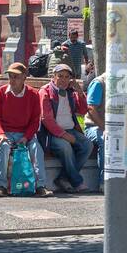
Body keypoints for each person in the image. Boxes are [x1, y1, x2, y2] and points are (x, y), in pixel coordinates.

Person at [0, 62, 51, 197]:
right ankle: (1, 185)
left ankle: (41, 185)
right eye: (10, 76)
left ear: (24, 77)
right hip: (5, 132)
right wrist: (0, 134)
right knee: (3, 147)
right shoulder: (0, 93)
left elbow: (35, 120)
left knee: (36, 148)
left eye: (16, 77)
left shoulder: (33, 94)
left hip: (25, 133)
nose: (12, 80)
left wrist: (26, 137)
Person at [40, 63, 92, 193]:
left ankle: (63, 178)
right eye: (60, 76)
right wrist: (64, 135)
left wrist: (80, 92)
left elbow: (83, 110)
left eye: (66, 77)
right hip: (51, 133)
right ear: (53, 77)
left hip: (71, 130)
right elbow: (46, 119)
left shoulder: (70, 92)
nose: (63, 79)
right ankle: (76, 181)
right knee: (65, 147)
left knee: (88, 145)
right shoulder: (45, 91)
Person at [84, 70, 106, 185]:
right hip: (93, 127)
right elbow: (91, 108)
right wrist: (104, 128)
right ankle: (104, 182)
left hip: (115, 127)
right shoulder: (99, 83)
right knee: (106, 139)